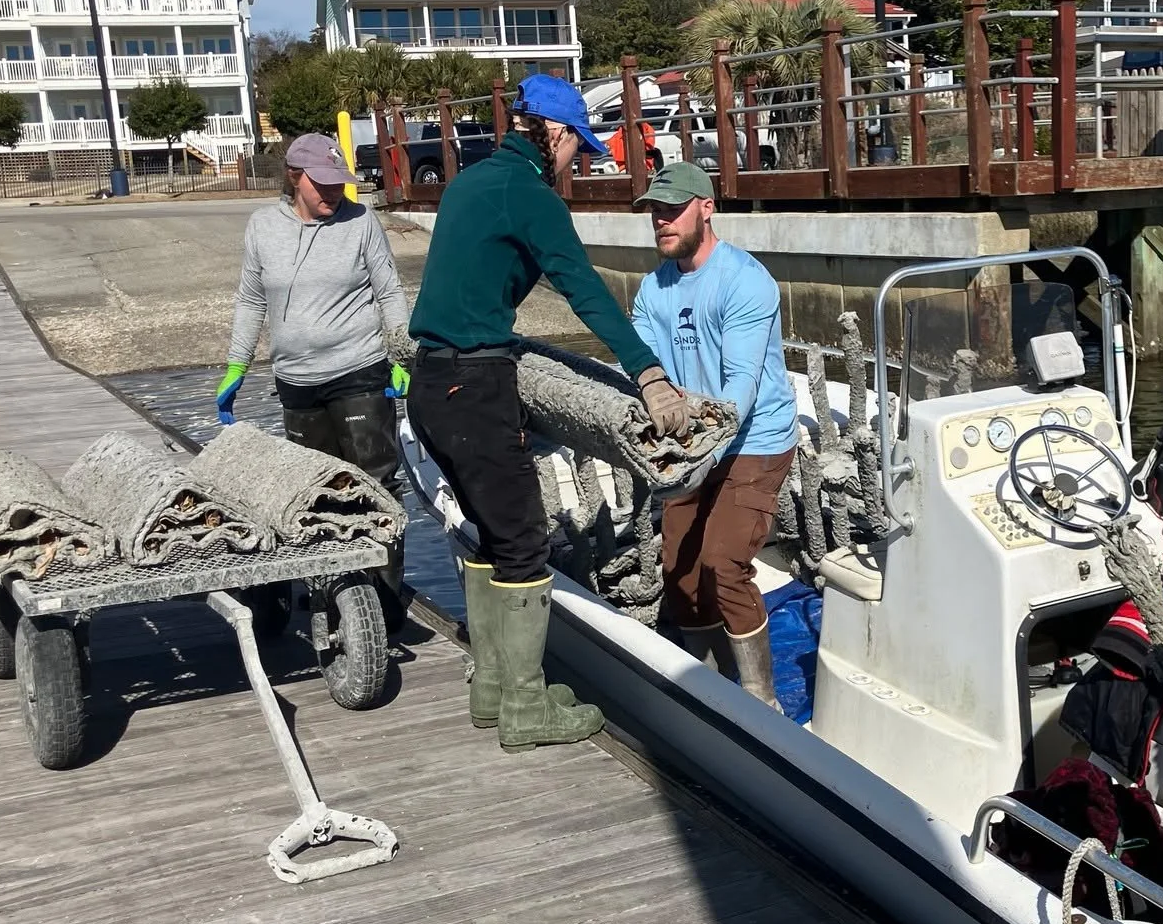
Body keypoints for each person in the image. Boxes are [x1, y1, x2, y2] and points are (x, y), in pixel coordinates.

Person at [407, 73, 690, 754]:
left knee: (490, 532)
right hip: (473, 388)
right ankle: (525, 708)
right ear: (555, 134)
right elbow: (585, 292)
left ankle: (494, 688)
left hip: (429, 385)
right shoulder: (529, 196)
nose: (578, 163)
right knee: (526, 543)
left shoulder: (470, 182)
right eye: (579, 149)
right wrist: (648, 376)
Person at [218, 131, 411, 622]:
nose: (332, 193)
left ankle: (384, 607)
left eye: (338, 183)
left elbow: (389, 291)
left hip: (360, 370)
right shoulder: (263, 227)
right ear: (294, 178)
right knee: (315, 491)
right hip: (297, 380)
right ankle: (331, 597)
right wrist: (237, 363)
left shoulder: (362, 221)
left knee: (376, 482)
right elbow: (251, 299)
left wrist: (401, 354)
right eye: (321, 184)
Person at [630, 161, 798, 707]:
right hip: (692, 448)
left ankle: (761, 700)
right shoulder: (652, 290)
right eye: (655, 212)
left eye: (672, 210)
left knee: (723, 564)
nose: (661, 221)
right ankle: (708, 689)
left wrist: (704, 429)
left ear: (706, 208)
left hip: (755, 441)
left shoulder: (745, 281)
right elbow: (639, 363)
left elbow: (741, 386)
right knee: (679, 571)